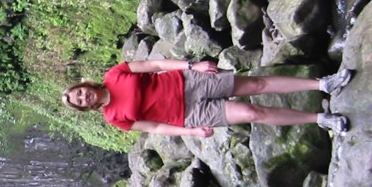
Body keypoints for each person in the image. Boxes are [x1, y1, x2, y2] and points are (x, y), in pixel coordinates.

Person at [61, 59, 353, 138]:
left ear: (84, 85)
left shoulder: (115, 74)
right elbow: (155, 128)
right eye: (80, 101)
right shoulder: (114, 118)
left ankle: (322, 84)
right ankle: (320, 119)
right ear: (85, 108)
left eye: (79, 92)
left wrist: (191, 66)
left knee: (255, 84)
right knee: (252, 113)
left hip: (190, 81)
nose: (83, 97)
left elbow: (155, 66)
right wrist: (190, 131)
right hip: (188, 115)